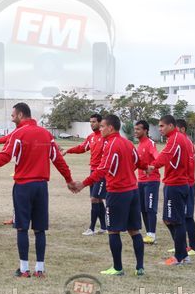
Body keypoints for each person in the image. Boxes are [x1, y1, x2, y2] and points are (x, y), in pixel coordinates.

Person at [0, 103, 72, 278]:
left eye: (13, 116)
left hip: (23, 186)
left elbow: (4, 156)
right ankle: (40, 269)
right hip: (41, 186)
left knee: (21, 227)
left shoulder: (19, 134)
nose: (12, 119)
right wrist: (69, 180)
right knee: (40, 229)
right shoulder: (46, 134)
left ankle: (24, 269)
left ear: (20, 115)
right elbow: (58, 160)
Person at [70, 115, 146, 276]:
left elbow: (102, 169)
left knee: (113, 231)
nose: (100, 129)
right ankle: (140, 267)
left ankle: (117, 268)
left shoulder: (111, 144)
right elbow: (138, 162)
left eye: (102, 126)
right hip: (133, 191)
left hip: (118, 193)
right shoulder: (128, 143)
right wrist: (148, 167)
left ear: (110, 128)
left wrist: (83, 184)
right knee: (134, 231)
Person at [143, 115, 193, 266]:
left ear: (171, 125)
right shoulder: (179, 138)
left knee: (175, 221)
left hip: (176, 184)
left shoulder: (175, 138)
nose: (160, 129)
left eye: (162, 126)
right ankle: (183, 254)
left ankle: (179, 257)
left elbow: (165, 155)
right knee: (169, 220)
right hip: (177, 183)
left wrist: (153, 166)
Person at [63, 114, 107, 236]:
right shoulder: (91, 137)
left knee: (94, 199)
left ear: (100, 123)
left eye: (94, 122)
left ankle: (91, 228)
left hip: (101, 172)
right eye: (90, 122)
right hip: (93, 171)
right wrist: (68, 150)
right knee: (97, 199)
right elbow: (82, 148)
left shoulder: (105, 137)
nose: (92, 124)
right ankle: (104, 227)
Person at [134, 120, 160, 244]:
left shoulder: (150, 143)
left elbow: (157, 157)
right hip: (141, 181)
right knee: (143, 209)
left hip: (151, 181)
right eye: (135, 129)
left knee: (150, 208)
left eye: (138, 129)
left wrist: (151, 167)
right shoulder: (139, 145)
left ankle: (152, 235)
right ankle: (149, 234)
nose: (135, 131)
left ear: (145, 131)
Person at [175, 119, 195, 256]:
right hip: (184, 183)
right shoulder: (182, 141)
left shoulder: (186, 142)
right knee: (181, 217)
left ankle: (193, 247)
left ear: (182, 129)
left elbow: (187, 164)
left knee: (188, 216)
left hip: (187, 184)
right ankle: (182, 246)